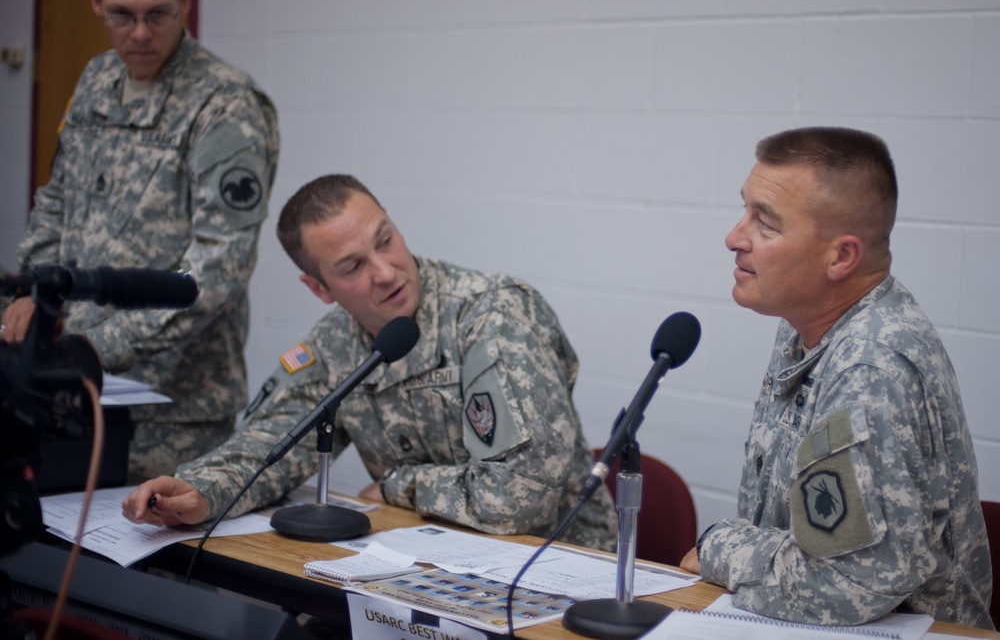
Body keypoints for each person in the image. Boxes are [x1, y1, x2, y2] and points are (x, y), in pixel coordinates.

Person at [121, 175, 617, 551]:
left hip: (553, 569)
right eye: (352, 267)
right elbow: (274, 440)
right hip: (419, 560)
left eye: (385, 240)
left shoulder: (493, 312)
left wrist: (400, 484)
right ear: (319, 289)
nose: (385, 272)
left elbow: (521, 495)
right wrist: (200, 489)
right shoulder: (335, 343)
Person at [679, 127, 993, 629]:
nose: (734, 238)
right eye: (745, 211)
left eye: (765, 223)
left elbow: (847, 584)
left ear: (841, 257)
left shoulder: (871, 363)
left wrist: (723, 546)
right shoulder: (807, 326)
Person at [0, 0, 280, 483]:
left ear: (185, 3)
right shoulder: (97, 79)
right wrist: (31, 292)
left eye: (159, 14)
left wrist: (95, 347)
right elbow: (57, 200)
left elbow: (216, 270)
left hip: (172, 410)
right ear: (96, 2)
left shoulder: (225, 103)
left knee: (148, 564)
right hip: (71, 389)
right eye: (122, 15)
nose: (141, 34)